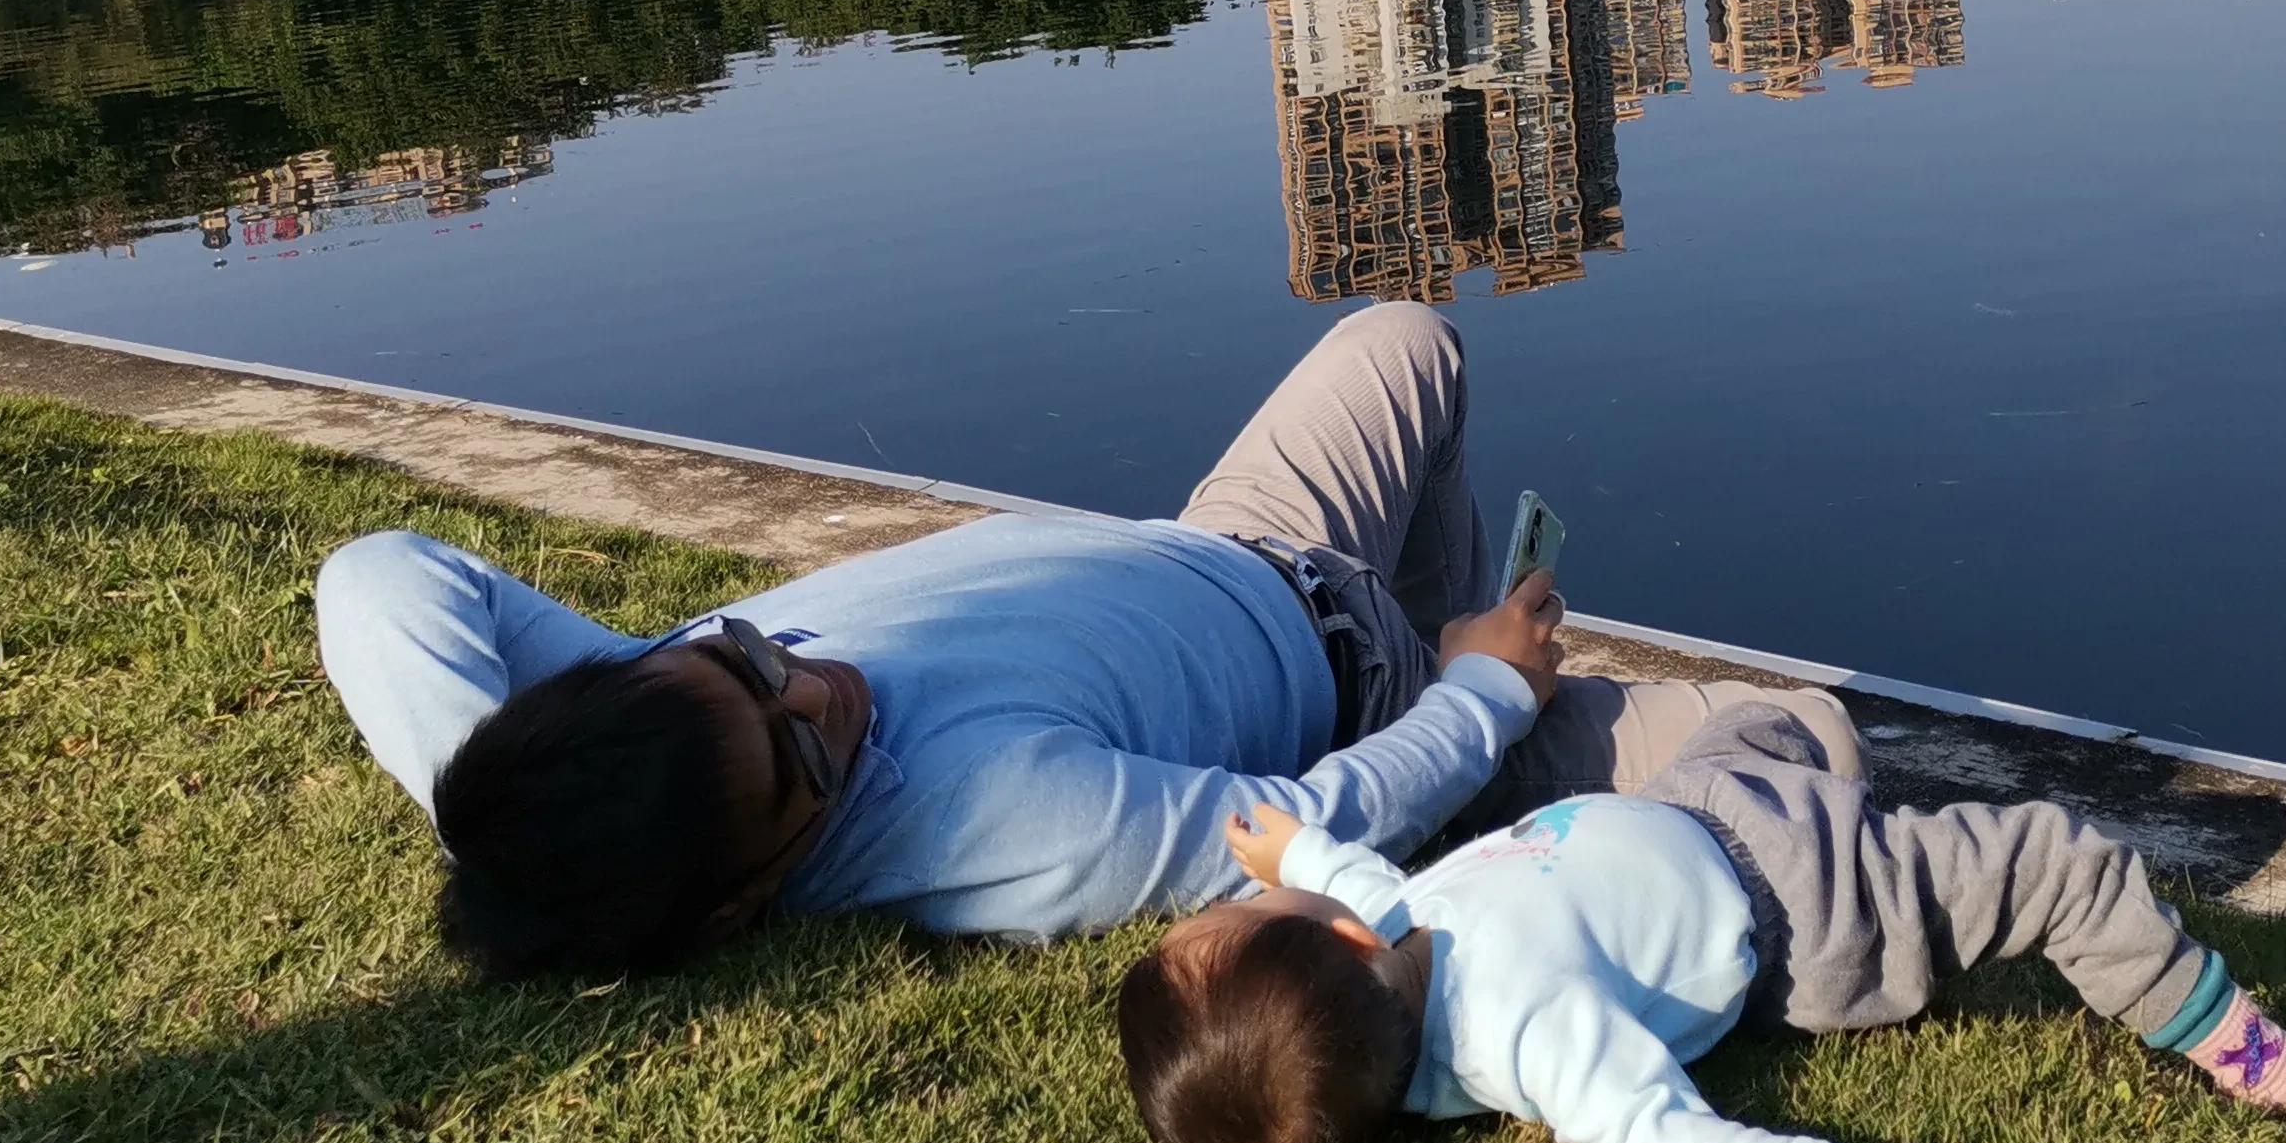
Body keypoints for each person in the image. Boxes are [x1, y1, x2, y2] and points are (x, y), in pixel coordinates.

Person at [314, 307, 1800, 976]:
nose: (814, 684)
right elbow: (1293, 831)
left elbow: (382, 576)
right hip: (1370, 701)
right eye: (797, 748)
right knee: (1815, 745)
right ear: (740, 899)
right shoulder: (991, 821)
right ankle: (1507, 752)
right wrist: (1475, 695)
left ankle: (1460, 648)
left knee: (1408, 341)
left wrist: (504, 813)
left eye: (745, 658)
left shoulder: (663, 723)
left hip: (1236, 536)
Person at [1116, 698, 2286, 1143]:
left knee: (1777, 716)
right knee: (2047, 863)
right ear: (1335, 947)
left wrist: (1293, 856)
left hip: (1694, 808)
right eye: (1231, 916)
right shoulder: (1533, 1041)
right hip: (1796, 907)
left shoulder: (1381, 946)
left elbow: (1363, 887)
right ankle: (2244, 1049)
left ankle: (1833, 772)